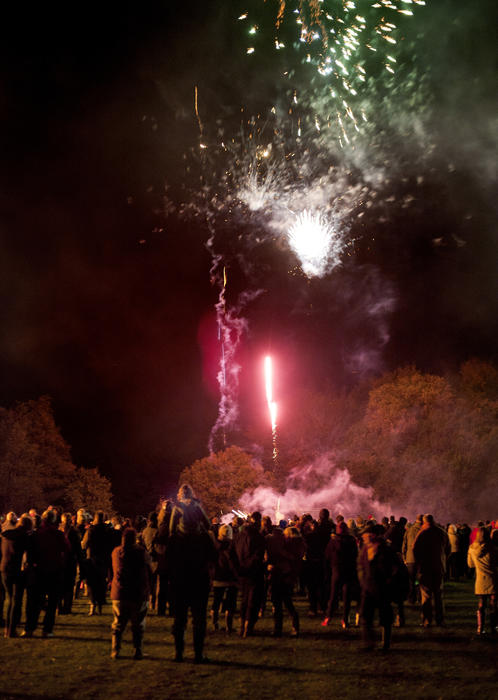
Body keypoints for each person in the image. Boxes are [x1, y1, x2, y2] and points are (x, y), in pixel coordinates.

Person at [168, 484, 215, 663]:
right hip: (198, 580)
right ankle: (198, 654)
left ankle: (178, 653)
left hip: (180, 580)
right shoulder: (202, 538)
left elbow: (169, 557)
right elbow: (209, 526)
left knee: (179, 618)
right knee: (199, 619)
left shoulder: (175, 539)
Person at [110, 528, 152, 659]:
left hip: (120, 592)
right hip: (137, 592)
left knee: (118, 623)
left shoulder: (116, 552)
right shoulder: (140, 552)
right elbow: (149, 567)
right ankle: (137, 650)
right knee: (138, 623)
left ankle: (115, 650)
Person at [357, 523, 397, 651]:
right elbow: (360, 566)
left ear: (372, 535)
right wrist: (363, 581)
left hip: (382, 588)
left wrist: (388, 581)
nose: (363, 537)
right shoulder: (364, 550)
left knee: (385, 618)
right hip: (367, 588)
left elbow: (394, 567)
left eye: (365, 534)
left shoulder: (385, 549)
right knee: (365, 616)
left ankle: (386, 644)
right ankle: (369, 643)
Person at [30, 509, 69, 638]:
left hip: (40, 570)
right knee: (52, 602)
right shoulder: (58, 534)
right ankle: (47, 629)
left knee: (36, 601)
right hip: (55, 570)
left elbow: (31, 551)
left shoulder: (36, 534)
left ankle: (30, 627)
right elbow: (67, 548)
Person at [413, 514, 450, 627]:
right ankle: (440, 620)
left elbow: (414, 549)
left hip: (425, 568)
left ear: (424, 522)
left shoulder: (422, 532)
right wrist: (443, 559)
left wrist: (418, 563)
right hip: (438, 567)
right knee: (438, 595)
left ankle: (426, 620)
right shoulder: (441, 532)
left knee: (426, 595)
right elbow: (448, 548)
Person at [234, 511, 267, 638]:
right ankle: (248, 627)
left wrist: (237, 568)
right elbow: (258, 556)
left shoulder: (239, 535)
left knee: (244, 599)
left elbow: (232, 553)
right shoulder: (259, 538)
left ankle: (242, 626)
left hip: (242, 572)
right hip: (254, 572)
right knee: (253, 601)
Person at [322, 521, 359, 628]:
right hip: (349, 571)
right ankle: (345, 620)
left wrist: (328, 571)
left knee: (333, 596)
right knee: (346, 597)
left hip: (336, 571)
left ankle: (328, 618)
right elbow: (355, 556)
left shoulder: (333, 542)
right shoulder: (352, 541)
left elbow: (327, 557)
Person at [1, 515, 33, 637]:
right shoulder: (24, 537)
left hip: (4, 568)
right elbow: (29, 554)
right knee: (16, 600)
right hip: (16, 570)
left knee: (9, 598)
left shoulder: (6, 535)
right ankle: (11, 629)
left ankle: (7, 629)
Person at [467, 526, 498, 635]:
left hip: (480, 579)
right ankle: (494, 627)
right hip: (493, 579)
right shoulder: (493, 548)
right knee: (493, 604)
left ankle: (480, 627)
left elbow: (470, 564)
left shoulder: (472, 548)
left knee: (481, 604)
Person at [81, 511, 113, 615]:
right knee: (101, 583)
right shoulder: (107, 530)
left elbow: (84, 544)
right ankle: (100, 606)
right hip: (103, 559)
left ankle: (92, 605)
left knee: (91, 584)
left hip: (92, 560)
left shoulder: (91, 530)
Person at [210, 524, 238, 634]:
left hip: (217, 576)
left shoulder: (214, 546)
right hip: (231, 578)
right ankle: (228, 626)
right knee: (231, 602)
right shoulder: (233, 546)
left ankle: (215, 624)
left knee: (216, 600)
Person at [402, 515, 423, 605]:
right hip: (421, 559)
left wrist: (404, 558)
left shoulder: (409, 530)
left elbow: (404, 545)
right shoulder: (424, 530)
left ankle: (411, 599)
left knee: (411, 579)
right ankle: (420, 598)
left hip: (410, 559)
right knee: (419, 580)